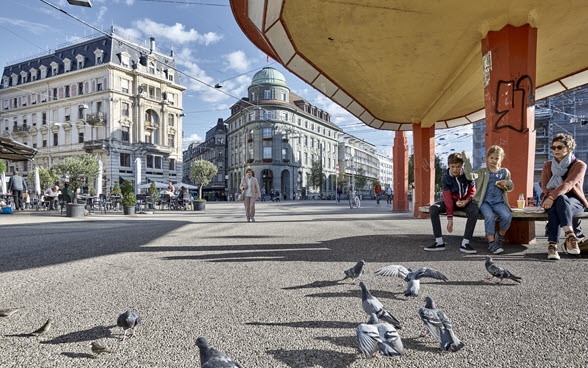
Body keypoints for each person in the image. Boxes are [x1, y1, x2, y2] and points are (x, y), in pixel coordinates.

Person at [541, 133, 588, 260]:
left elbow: (569, 184)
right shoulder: (547, 165)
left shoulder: (579, 165)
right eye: (553, 147)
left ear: (570, 148)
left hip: (575, 201)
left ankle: (552, 246)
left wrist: (552, 197)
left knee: (559, 200)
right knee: (558, 202)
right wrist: (551, 197)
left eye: (559, 147)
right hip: (552, 199)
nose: (555, 150)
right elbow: (544, 187)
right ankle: (570, 236)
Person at [463, 146, 513, 255]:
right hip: (484, 202)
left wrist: (507, 183)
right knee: (489, 217)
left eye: (496, 158)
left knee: (507, 216)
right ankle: (491, 243)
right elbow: (470, 176)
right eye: (491, 158)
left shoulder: (505, 172)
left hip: (498, 202)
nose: (494, 161)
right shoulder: (482, 171)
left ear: (501, 159)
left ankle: (500, 236)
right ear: (487, 158)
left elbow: (510, 186)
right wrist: (466, 161)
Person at [425, 152, 479, 254]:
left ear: (462, 165)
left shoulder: (468, 174)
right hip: (451, 202)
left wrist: (466, 201)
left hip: (465, 201)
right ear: (448, 165)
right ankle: (439, 242)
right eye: (452, 167)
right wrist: (450, 219)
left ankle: (465, 243)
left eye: (458, 167)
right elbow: (447, 198)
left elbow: (473, 191)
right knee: (433, 208)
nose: (455, 169)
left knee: (474, 210)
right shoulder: (446, 177)